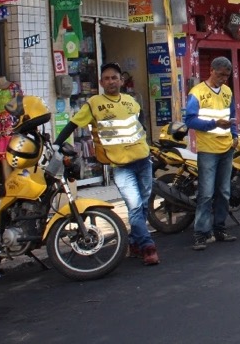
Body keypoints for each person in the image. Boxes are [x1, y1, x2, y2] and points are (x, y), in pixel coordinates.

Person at [52, 62, 159, 266]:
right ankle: (148, 247)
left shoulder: (131, 101)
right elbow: (73, 125)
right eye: (107, 78)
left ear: (121, 80)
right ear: (101, 82)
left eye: (114, 78)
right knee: (135, 206)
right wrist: (57, 144)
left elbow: (140, 120)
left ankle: (135, 244)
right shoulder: (94, 103)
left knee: (143, 205)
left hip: (143, 160)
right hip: (121, 165)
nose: (111, 81)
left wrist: (145, 138)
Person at [185, 56, 239, 251]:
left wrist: (234, 135)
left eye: (227, 75)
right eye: (221, 74)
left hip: (226, 148)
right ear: (211, 70)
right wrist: (213, 124)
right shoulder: (197, 92)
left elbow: (231, 116)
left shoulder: (227, 91)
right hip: (208, 149)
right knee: (206, 194)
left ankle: (220, 228)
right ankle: (201, 233)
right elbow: (190, 120)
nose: (224, 79)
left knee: (224, 192)